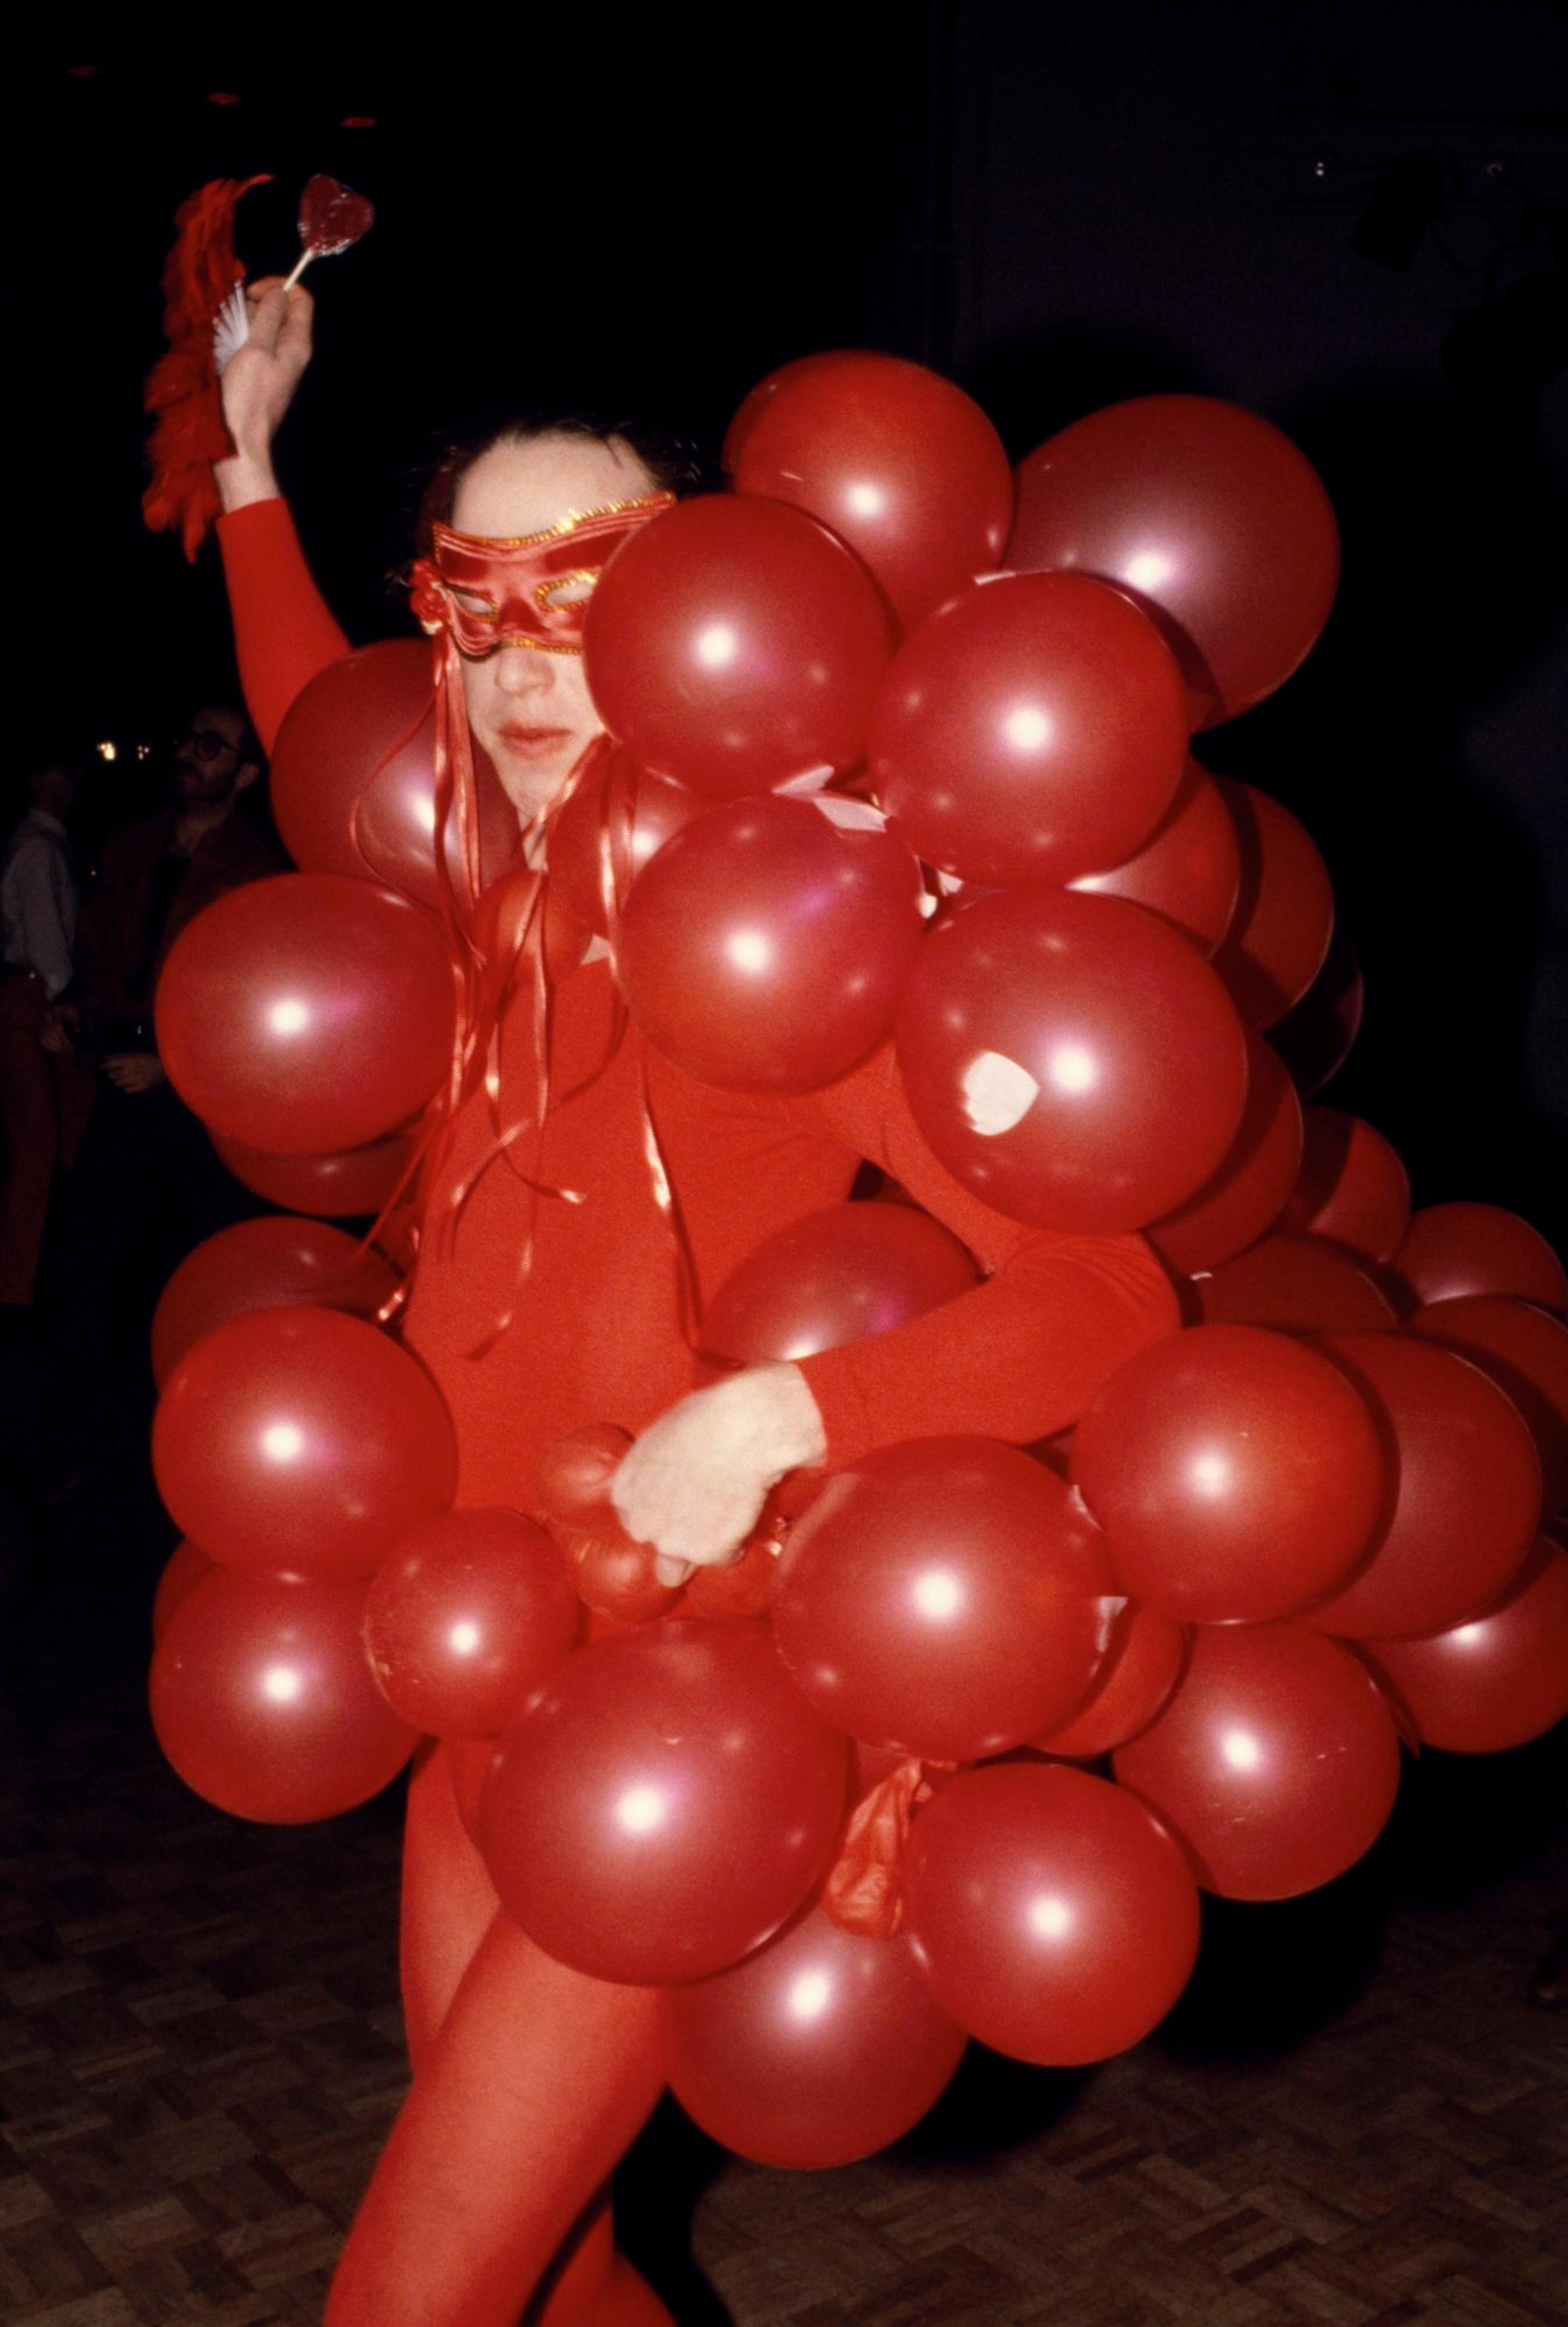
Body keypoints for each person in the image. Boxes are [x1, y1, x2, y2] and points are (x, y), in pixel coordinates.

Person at [207, 279, 1182, 2327]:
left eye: (589, 595)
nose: (516, 663)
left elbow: (1102, 1300)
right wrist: (243, 468)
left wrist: (785, 1417)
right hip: (466, 1674)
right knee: (546, 2276)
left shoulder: (779, 939)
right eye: (474, 609)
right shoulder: (479, 899)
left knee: (411, 2302)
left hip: (676, 1727)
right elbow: (323, 712)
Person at [0, 751, 94, 1312]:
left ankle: (35, 1269)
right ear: (39, 778)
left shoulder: (43, 841)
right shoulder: (38, 847)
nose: (74, 779)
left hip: (34, 993)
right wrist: (65, 1000)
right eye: (63, 769)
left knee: (51, 1132)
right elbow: (47, 941)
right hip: (32, 996)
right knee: (36, 1142)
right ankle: (16, 1289)